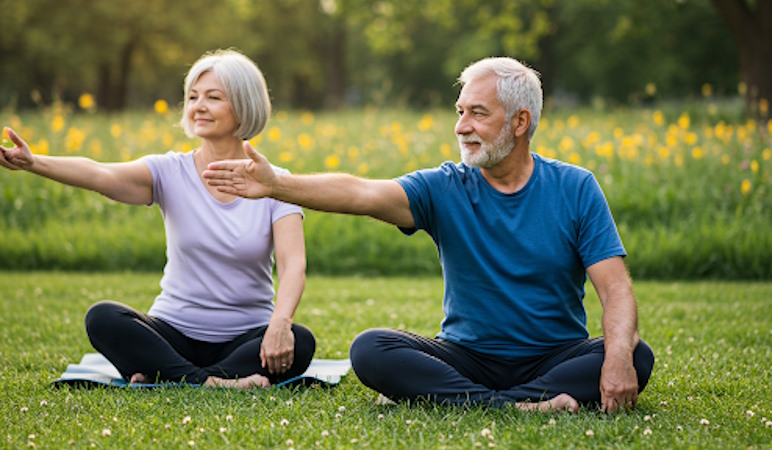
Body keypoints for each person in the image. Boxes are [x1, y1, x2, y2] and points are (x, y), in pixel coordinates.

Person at [202, 57, 654, 411]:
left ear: (520, 123)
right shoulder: (443, 186)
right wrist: (280, 185)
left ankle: (451, 395)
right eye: (460, 112)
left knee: (636, 354)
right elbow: (360, 192)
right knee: (371, 349)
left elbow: (615, 289)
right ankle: (517, 404)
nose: (461, 127)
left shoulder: (575, 187)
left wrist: (616, 359)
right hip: (466, 356)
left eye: (478, 113)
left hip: (554, 354)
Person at [0, 49, 315, 389]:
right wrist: (35, 163)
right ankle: (212, 382)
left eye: (213, 97)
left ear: (244, 105)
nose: (199, 106)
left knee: (301, 340)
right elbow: (100, 172)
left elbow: (293, 263)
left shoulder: (275, 181)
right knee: (102, 318)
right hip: (171, 334)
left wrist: (280, 322)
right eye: (193, 97)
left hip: (245, 338)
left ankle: (166, 374)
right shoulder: (169, 171)